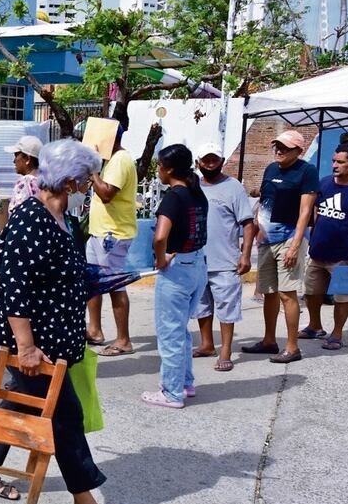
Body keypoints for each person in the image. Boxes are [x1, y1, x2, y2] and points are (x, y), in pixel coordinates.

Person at [0, 139, 131, 504]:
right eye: (84, 177)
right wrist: (25, 347)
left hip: (59, 336)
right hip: (36, 342)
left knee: (19, 401)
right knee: (65, 420)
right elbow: (14, 290)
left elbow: (62, 274)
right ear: (67, 179)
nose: (88, 183)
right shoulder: (30, 219)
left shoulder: (66, 217)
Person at [242, 130, 318, 363]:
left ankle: (292, 347)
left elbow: (306, 211)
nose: (279, 150)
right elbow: (263, 202)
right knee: (269, 293)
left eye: (284, 147)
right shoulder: (271, 169)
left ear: (299, 151)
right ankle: (269, 341)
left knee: (287, 293)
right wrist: (256, 230)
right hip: (266, 240)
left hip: (289, 239)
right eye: (277, 146)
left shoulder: (307, 171)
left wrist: (295, 246)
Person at [141, 144, 209, 409]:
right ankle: (185, 382)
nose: (157, 170)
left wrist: (160, 258)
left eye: (159, 165)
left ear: (169, 169)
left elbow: (160, 236)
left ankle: (171, 392)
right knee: (180, 330)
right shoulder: (196, 193)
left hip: (177, 269)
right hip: (196, 264)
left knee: (170, 333)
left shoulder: (173, 197)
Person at [299, 143, 348, 350]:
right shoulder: (324, 184)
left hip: (345, 255)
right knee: (311, 292)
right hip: (318, 252)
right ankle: (314, 326)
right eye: (334, 160)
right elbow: (314, 213)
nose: (335, 165)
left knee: (343, 297)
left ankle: (336, 333)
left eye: (340, 162)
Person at [190, 142, 255, 371]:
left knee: (227, 307)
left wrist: (245, 255)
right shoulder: (192, 186)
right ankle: (207, 344)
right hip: (197, 259)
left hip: (225, 260)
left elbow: (248, 223)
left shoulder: (233, 187)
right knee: (201, 305)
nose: (210, 164)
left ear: (222, 161)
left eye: (214, 159)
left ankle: (226, 350)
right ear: (197, 163)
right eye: (205, 160)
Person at [85, 123, 138, 357]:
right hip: (100, 232)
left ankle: (123, 340)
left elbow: (106, 194)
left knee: (115, 285)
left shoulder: (120, 160)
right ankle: (94, 329)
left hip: (113, 235)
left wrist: (92, 170)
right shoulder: (111, 160)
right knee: (94, 282)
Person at [6, 135, 43, 210]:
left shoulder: (24, 183)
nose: (14, 161)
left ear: (27, 159)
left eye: (16, 156)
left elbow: (15, 212)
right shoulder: (46, 184)